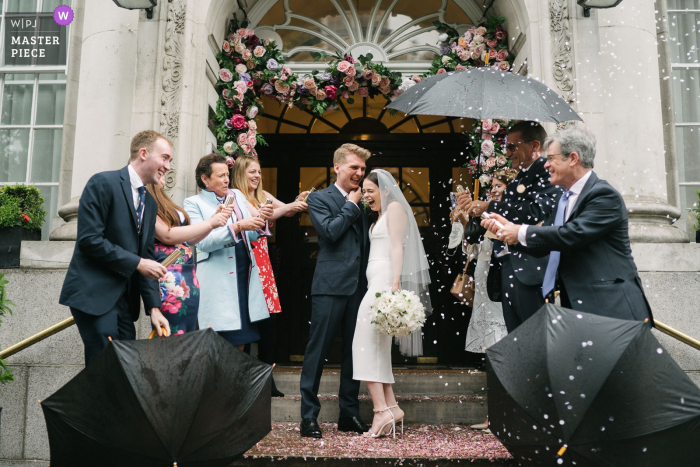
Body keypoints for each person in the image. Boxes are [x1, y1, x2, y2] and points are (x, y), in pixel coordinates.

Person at [481, 127, 653, 322]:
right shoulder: (564, 199)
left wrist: (520, 231)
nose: (546, 166)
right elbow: (550, 242)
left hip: (612, 308)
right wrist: (506, 230)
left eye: (551, 159)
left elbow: (571, 235)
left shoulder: (603, 195)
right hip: (578, 309)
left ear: (572, 159)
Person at [59, 130, 172, 365]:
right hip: (94, 295)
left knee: (124, 372)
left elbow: (147, 256)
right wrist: (138, 263)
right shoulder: (103, 182)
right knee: (105, 372)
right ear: (143, 153)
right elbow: (90, 240)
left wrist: (154, 308)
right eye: (165, 158)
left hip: (125, 304)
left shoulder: (149, 203)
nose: (168, 166)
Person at [457, 121, 561, 332]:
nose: (508, 152)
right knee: (516, 336)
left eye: (513, 146)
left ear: (534, 146)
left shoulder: (545, 172)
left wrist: (489, 205)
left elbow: (534, 213)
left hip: (531, 266)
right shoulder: (518, 178)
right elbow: (508, 217)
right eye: (507, 147)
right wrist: (478, 211)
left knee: (534, 335)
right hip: (508, 264)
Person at [300, 143, 372, 439]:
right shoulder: (319, 198)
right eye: (354, 167)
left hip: (359, 287)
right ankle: (308, 417)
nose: (360, 173)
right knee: (317, 352)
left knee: (354, 353)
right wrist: (352, 206)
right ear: (338, 168)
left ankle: (349, 413)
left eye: (363, 169)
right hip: (329, 286)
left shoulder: (366, 200)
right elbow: (329, 232)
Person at [352, 169, 431, 438]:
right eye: (364, 191)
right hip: (375, 282)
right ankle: (392, 407)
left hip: (385, 283)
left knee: (362, 344)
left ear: (385, 189)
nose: (366, 196)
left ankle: (380, 411)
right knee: (376, 347)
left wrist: (395, 287)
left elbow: (399, 247)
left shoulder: (395, 208)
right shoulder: (378, 216)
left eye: (370, 191)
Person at [229, 154, 309, 397]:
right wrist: (290, 207)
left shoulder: (263, 195)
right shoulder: (236, 196)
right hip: (246, 260)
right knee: (247, 319)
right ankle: (245, 379)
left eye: (259, 172)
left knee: (269, 321)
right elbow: (268, 215)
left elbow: (285, 211)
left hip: (263, 262)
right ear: (240, 173)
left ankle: (266, 377)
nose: (256, 176)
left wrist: (297, 202)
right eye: (251, 172)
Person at [183, 154, 271, 350]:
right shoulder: (193, 203)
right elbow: (203, 243)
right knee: (219, 343)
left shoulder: (237, 195)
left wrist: (258, 224)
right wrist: (238, 226)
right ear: (205, 179)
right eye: (220, 175)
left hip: (244, 277)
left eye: (227, 175)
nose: (226, 180)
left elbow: (252, 237)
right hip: (218, 281)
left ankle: (235, 381)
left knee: (242, 342)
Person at [453, 168, 515, 432]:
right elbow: (471, 244)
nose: (495, 189)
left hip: (500, 288)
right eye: (493, 186)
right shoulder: (487, 213)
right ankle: (495, 415)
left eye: (500, 186)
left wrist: (485, 214)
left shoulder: (510, 215)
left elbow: (504, 243)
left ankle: (503, 416)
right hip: (483, 284)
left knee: (500, 350)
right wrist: (465, 219)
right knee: (491, 353)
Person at [145, 178, 233, 335]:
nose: (165, 173)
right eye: (161, 170)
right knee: (172, 335)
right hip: (169, 277)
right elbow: (167, 236)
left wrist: (213, 220)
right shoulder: (146, 200)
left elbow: (190, 239)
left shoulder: (163, 199)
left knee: (187, 333)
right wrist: (211, 223)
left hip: (187, 276)